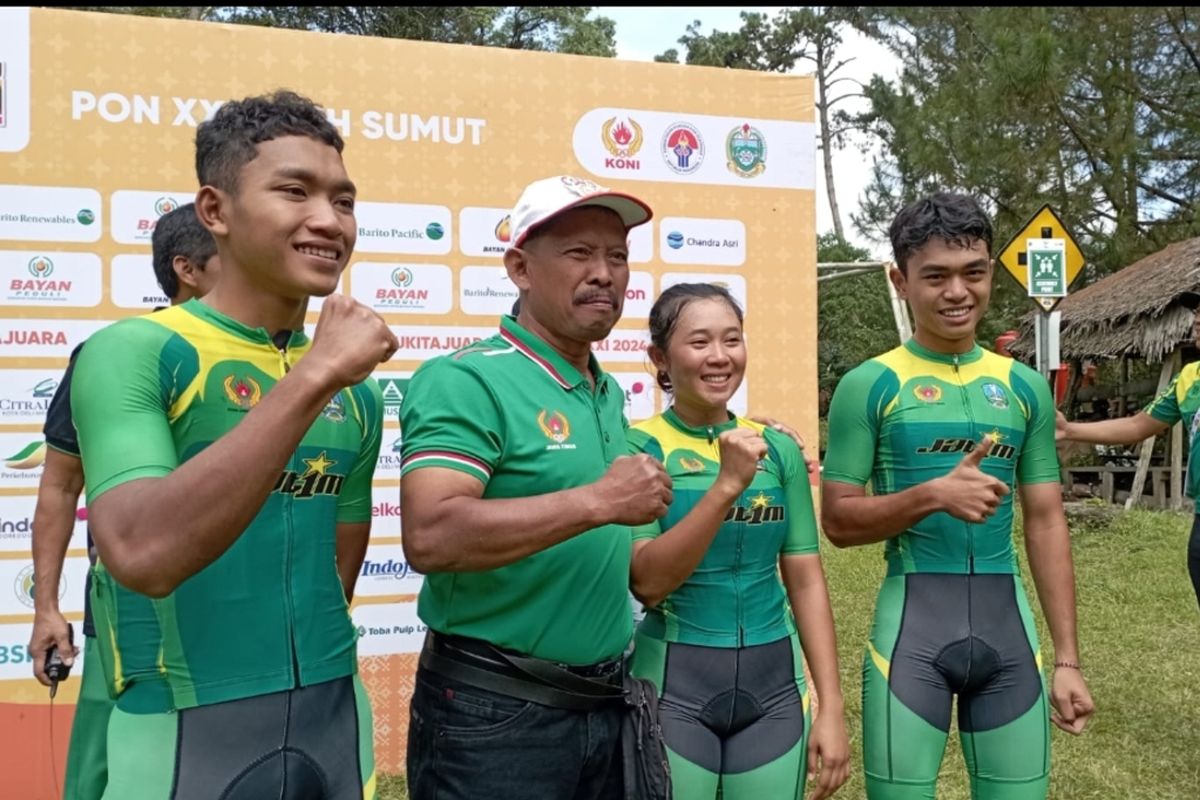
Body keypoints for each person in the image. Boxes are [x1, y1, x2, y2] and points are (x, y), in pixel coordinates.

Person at [69, 90, 396, 800]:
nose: (327, 220)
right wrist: (315, 375)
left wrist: (322, 373)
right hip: (181, 726)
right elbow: (142, 554)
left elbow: (338, 567)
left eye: (343, 201)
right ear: (214, 212)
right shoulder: (135, 352)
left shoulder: (360, 393)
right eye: (294, 192)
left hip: (329, 708)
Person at [399, 175, 673, 800]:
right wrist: (598, 501)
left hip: (604, 703)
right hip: (494, 712)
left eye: (617, 256)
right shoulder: (465, 380)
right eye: (579, 253)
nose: (604, 273)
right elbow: (432, 535)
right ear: (520, 267)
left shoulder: (603, 390)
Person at [821, 192, 1094, 799]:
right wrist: (932, 495)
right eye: (935, 276)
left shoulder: (1024, 388)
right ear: (900, 280)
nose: (957, 293)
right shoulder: (870, 385)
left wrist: (1068, 659)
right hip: (911, 637)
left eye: (973, 273)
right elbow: (838, 522)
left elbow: (1047, 523)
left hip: (1009, 636)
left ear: (991, 271)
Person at [626, 283, 850, 799]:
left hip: (775, 689)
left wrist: (832, 706)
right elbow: (649, 583)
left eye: (732, 340)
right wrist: (727, 485)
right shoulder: (638, 449)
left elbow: (806, 579)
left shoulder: (777, 449)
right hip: (674, 688)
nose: (720, 357)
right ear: (660, 357)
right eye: (699, 342)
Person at [28, 202, 220, 800]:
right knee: (107, 773)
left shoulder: (284, 361)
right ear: (187, 269)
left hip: (236, 619)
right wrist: (46, 608)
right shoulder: (114, 355)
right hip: (131, 618)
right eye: (231, 260)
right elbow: (60, 487)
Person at [1056, 289, 1200, 608]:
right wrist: (1069, 429)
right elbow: (1137, 425)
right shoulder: (1190, 378)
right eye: (1198, 313)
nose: (1198, 320)